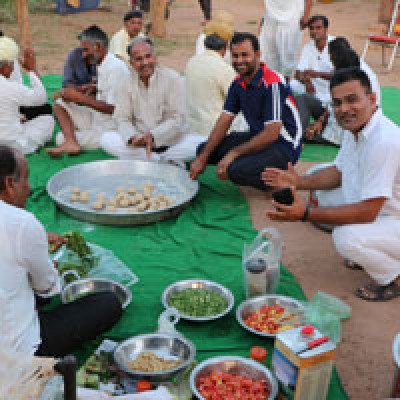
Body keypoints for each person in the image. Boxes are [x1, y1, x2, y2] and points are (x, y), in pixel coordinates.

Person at [263, 67, 400, 301]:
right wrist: (298, 181)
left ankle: (393, 277)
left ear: (372, 99)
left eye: (351, 100)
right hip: (382, 211)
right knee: (324, 195)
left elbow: (367, 211)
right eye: (337, 103)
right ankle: (379, 250)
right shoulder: (354, 128)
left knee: (345, 237)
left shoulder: (384, 141)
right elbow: (338, 172)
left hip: (388, 216)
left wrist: (305, 214)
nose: (344, 109)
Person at [0, 145, 122, 356]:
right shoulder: (22, 224)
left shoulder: (17, 226)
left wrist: (36, 241)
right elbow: (47, 286)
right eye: (25, 179)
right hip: (13, 352)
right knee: (108, 303)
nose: (29, 188)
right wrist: (49, 266)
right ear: (10, 183)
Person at [190, 32, 302, 191]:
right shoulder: (237, 83)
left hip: (284, 144)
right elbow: (224, 119)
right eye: (235, 56)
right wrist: (202, 158)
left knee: (235, 169)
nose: (239, 60)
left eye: (245, 55)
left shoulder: (272, 83)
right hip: (257, 136)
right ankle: (261, 166)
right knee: (203, 150)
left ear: (257, 54)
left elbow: (272, 133)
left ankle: (280, 180)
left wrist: (234, 153)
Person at [101, 37, 204, 162]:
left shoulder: (173, 79)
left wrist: (153, 136)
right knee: (106, 139)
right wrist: (133, 138)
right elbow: (122, 118)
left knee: (200, 144)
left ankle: (152, 159)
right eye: (139, 59)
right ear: (131, 62)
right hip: (140, 145)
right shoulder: (125, 83)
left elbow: (178, 119)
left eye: (148, 56)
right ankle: (159, 160)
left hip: (171, 144)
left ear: (155, 57)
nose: (145, 62)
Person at [47, 25, 129, 157]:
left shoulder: (115, 68)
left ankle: (70, 140)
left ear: (98, 46)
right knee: (59, 103)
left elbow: (116, 110)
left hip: (110, 129)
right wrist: (91, 88)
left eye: (86, 50)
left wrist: (81, 99)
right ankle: (71, 141)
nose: (83, 55)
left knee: (59, 138)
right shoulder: (103, 64)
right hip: (96, 118)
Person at [306, 40, 381, 146]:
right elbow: (332, 103)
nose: (331, 61)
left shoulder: (358, 81)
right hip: (344, 122)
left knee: (308, 132)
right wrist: (320, 121)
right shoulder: (351, 67)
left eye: (331, 57)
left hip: (348, 127)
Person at [0, 37, 54, 155]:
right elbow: (41, 98)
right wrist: (31, 70)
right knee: (47, 120)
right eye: (11, 65)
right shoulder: (10, 86)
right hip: (12, 144)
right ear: (4, 67)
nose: (13, 68)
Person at [290, 15, 335, 138]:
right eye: (312, 28)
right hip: (313, 89)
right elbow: (298, 73)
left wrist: (317, 74)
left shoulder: (335, 45)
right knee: (291, 85)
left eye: (318, 28)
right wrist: (307, 81)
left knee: (305, 97)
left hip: (332, 92)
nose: (314, 31)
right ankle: (293, 122)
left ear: (326, 29)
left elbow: (341, 74)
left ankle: (301, 131)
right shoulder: (308, 47)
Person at [185, 29, 236, 137]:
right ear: (225, 48)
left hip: (191, 127)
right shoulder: (223, 68)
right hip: (214, 130)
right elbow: (235, 98)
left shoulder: (191, 62)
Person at [259, 0, 312, 78]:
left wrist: (305, 16)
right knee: (269, 53)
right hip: (271, 18)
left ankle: (285, 85)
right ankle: (273, 84)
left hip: (292, 17)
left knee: (288, 55)